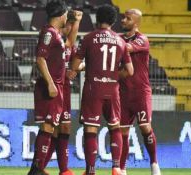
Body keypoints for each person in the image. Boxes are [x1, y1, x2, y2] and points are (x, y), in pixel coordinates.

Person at [69, 4, 134, 175]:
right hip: (112, 90)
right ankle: (116, 168)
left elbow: (75, 65)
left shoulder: (89, 38)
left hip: (93, 88)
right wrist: (112, 75)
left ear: (97, 19)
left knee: (91, 128)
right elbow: (130, 71)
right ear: (113, 21)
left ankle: (90, 170)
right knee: (115, 127)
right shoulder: (121, 41)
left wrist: (85, 67)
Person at [27, 1, 68, 175]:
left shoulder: (55, 34)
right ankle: (36, 169)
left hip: (57, 85)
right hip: (50, 86)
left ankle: (37, 168)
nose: (67, 17)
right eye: (66, 14)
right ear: (60, 15)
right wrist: (51, 83)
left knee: (50, 127)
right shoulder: (49, 33)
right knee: (47, 126)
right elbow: (40, 59)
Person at [118, 9, 161, 175]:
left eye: (127, 18)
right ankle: (122, 169)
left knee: (144, 127)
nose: (123, 20)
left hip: (140, 92)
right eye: (123, 17)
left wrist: (110, 42)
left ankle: (154, 164)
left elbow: (125, 48)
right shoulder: (119, 38)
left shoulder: (142, 39)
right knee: (122, 131)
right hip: (122, 93)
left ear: (135, 23)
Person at [42, 10, 83, 175]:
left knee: (64, 128)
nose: (70, 28)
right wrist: (78, 22)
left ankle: (63, 170)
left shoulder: (67, 47)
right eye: (69, 25)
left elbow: (74, 64)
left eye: (72, 26)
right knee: (53, 127)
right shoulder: (54, 39)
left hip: (65, 88)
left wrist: (78, 68)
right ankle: (40, 167)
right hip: (56, 87)